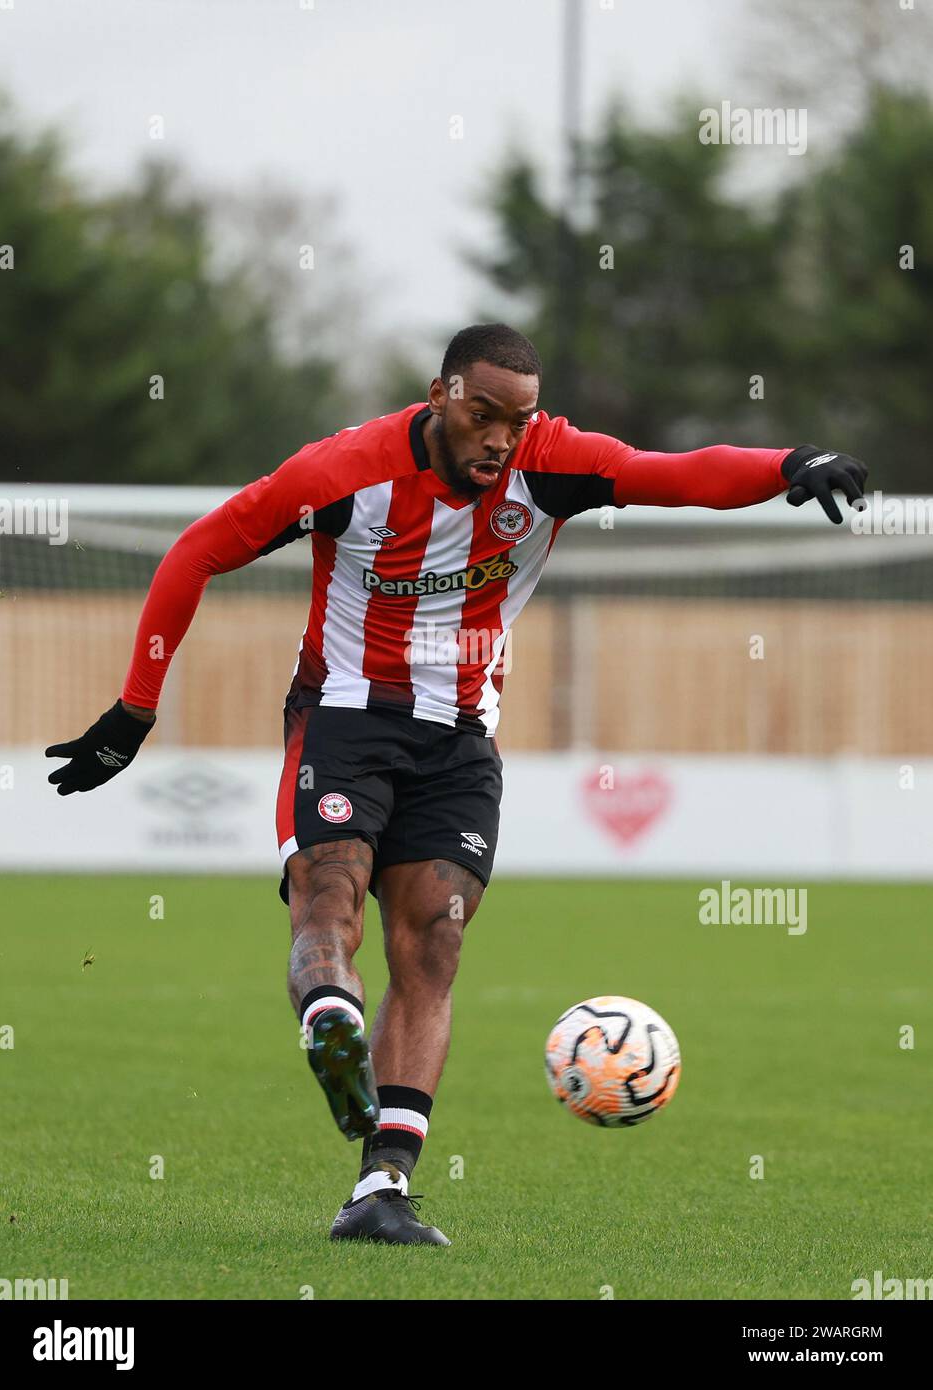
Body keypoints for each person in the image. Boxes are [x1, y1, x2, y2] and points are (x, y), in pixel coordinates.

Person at [45, 323, 867, 1244]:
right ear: (439, 395)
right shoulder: (342, 472)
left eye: (515, 422)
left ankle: (380, 1190)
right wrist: (135, 709)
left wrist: (790, 462)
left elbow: (676, 474)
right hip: (345, 718)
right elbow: (197, 550)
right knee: (330, 893)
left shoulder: (550, 464)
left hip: (462, 739)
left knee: (434, 937)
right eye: (482, 416)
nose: (499, 441)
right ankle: (331, 1018)